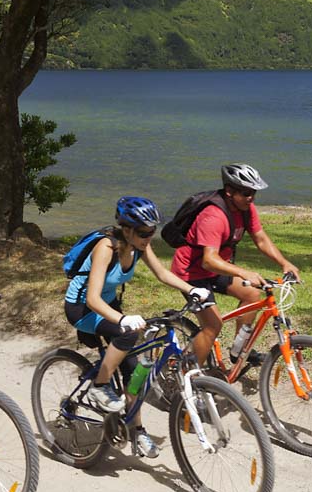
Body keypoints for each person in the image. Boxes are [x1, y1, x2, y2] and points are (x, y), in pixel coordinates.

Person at [66, 196, 210, 459]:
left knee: (135, 373)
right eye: (144, 232)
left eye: (152, 231)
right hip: (82, 308)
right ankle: (100, 385)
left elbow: (162, 274)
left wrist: (192, 289)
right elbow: (92, 298)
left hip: (107, 306)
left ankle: (137, 431)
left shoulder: (139, 246)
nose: (148, 237)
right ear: (127, 229)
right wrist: (121, 320)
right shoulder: (106, 247)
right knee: (128, 333)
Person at [170, 163, 300, 368]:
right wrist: (243, 272)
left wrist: (285, 263)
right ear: (229, 191)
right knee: (212, 326)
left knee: (251, 294)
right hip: (190, 273)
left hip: (216, 269)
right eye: (246, 192)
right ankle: (190, 377)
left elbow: (261, 239)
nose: (251, 198)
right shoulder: (213, 217)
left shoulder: (246, 209)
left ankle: (239, 351)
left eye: (254, 193)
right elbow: (208, 260)